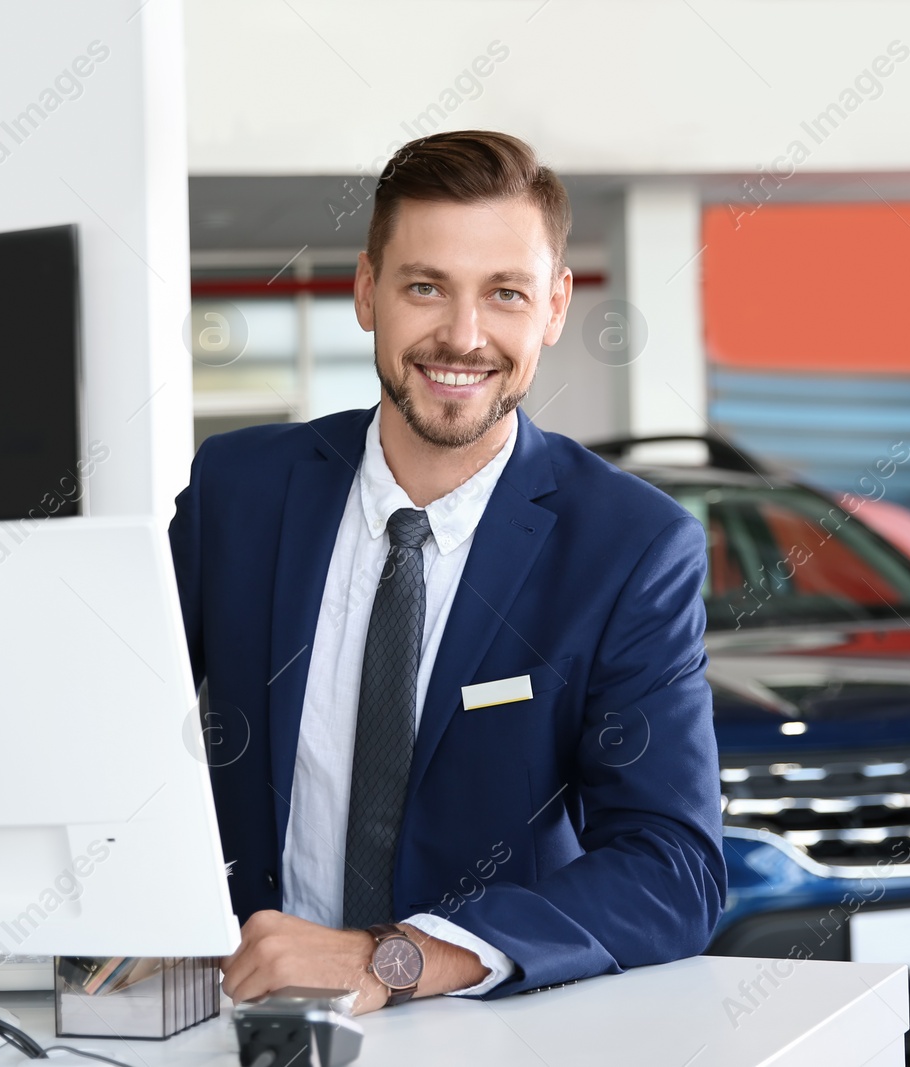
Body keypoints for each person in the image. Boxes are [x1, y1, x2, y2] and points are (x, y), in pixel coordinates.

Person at [168, 130, 724, 1014]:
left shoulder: (628, 547)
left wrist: (396, 959)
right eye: (425, 286)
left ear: (553, 305)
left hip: (481, 1032)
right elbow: (110, 722)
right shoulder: (240, 489)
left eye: (505, 293)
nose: (462, 338)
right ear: (366, 292)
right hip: (246, 1018)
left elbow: (673, 869)